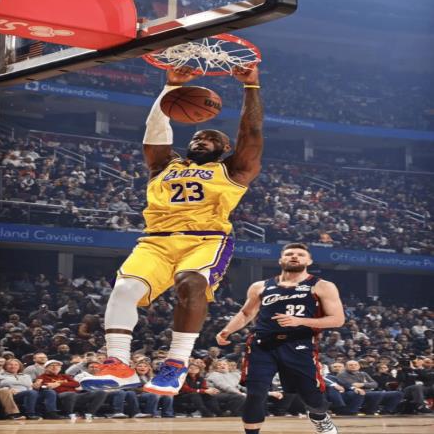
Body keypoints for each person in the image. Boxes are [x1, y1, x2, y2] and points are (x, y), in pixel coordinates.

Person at [97, 64, 263, 396]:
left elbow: (252, 132)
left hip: (206, 240)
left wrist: (251, 87)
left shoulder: (233, 170)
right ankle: (118, 364)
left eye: (212, 139)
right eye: (198, 136)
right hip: (154, 242)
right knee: (124, 289)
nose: (202, 140)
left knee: (191, 282)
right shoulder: (164, 165)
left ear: (224, 149)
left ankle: (176, 364)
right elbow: (155, 129)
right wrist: (170, 88)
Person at [216, 243, 345, 434]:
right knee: (255, 394)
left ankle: (319, 417)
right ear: (280, 260)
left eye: (300, 254)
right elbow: (246, 313)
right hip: (262, 345)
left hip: (299, 345)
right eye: (289, 253)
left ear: (309, 261)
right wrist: (226, 330)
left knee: (311, 396)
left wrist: (300, 321)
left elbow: (337, 319)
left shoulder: (322, 286)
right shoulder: (260, 286)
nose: (294, 256)